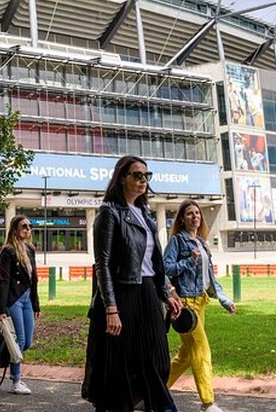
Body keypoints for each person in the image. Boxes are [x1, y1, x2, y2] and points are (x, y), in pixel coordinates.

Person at [82, 155, 182, 412]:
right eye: (136, 175)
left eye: (146, 176)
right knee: (121, 366)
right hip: (123, 294)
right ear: (121, 178)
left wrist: (167, 291)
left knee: (158, 360)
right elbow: (102, 264)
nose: (143, 181)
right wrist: (111, 308)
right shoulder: (109, 213)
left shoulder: (145, 214)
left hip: (148, 292)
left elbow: (153, 261)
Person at [164, 199, 236, 412]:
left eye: (197, 213)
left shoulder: (203, 244)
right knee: (202, 351)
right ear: (182, 219)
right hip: (184, 304)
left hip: (201, 302)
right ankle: (208, 403)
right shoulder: (178, 241)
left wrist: (224, 300)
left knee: (186, 356)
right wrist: (188, 261)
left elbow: (210, 279)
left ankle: (151, 392)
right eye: (189, 214)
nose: (195, 216)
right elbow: (165, 270)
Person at [0, 215, 41, 395]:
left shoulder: (29, 249)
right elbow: (4, 281)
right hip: (13, 298)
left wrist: (36, 304)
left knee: (26, 342)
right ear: (15, 228)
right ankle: (16, 380)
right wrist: (1, 309)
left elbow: (33, 279)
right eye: (24, 226)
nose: (27, 229)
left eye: (30, 226)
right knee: (19, 340)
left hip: (27, 298)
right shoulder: (8, 251)